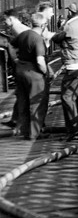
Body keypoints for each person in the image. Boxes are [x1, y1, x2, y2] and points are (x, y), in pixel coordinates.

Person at [51, 2, 78, 141]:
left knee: (67, 97)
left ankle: (74, 131)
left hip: (74, 66)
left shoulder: (69, 26)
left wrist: (49, 34)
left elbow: (58, 38)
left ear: (70, 12)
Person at [10, 12, 50, 140]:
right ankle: (34, 134)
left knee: (23, 102)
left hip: (20, 71)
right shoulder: (37, 39)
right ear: (43, 25)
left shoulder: (23, 35)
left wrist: (15, 60)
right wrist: (46, 73)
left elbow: (10, 45)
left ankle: (25, 131)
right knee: (37, 103)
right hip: (34, 74)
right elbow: (40, 60)